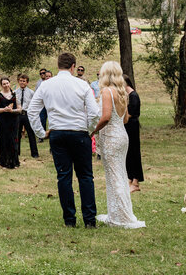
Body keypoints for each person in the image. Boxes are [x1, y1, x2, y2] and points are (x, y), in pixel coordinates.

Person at [26, 52, 101, 228]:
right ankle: (89, 219)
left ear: (58, 65)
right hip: (79, 133)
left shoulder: (47, 85)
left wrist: (41, 132)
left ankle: (69, 219)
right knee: (85, 177)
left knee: (64, 177)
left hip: (58, 133)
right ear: (73, 66)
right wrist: (89, 130)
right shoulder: (81, 85)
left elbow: (31, 111)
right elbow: (94, 113)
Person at [94, 61, 144, 229]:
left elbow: (106, 117)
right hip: (121, 135)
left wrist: (93, 130)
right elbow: (125, 118)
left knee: (115, 176)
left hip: (111, 137)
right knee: (120, 175)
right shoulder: (123, 92)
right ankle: (117, 213)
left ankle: (121, 217)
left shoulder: (107, 91)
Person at [0, 77, 20, 169]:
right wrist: (4, 109)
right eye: (4, 84)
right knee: (4, 140)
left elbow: (20, 109)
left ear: (10, 83)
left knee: (14, 140)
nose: (6, 85)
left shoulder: (15, 94)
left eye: (7, 83)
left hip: (13, 120)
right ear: (1, 85)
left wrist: (12, 110)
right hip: (3, 121)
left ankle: (14, 162)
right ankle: (4, 162)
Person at [124, 75, 143, 191]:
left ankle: (136, 181)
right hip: (128, 126)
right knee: (129, 152)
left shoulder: (134, 96)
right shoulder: (128, 96)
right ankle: (130, 178)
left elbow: (133, 113)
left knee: (134, 152)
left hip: (133, 126)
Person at [15, 74, 40, 159]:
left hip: (27, 115)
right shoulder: (15, 92)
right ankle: (16, 152)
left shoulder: (31, 92)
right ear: (18, 81)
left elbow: (34, 104)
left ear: (27, 82)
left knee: (31, 134)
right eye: (20, 81)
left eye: (24, 81)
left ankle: (34, 153)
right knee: (17, 134)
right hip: (18, 115)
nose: (22, 82)